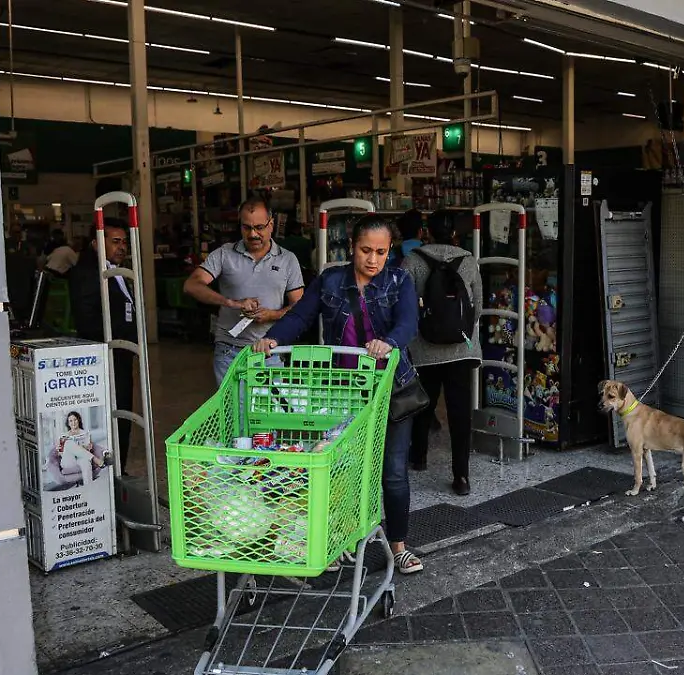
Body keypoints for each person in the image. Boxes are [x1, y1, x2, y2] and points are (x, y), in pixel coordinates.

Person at [252, 214, 424, 575]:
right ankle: (340, 540)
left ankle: (399, 546)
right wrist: (274, 338)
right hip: (342, 394)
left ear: (390, 250)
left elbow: (408, 323)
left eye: (381, 251)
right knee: (343, 469)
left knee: (392, 472)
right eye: (365, 250)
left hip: (392, 391)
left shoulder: (399, 280)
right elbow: (299, 316)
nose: (373, 259)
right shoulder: (330, 280)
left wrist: (388, 342)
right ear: (352, 248)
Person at [184, 197, 306, 384]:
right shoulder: (224, 254)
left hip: (270, 351)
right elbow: (192, 285)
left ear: (271, 224)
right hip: (229, 352)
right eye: (247, 228)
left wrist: (272, 314)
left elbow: (300, 307)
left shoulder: (287, 260)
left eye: (259, 227)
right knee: (233, 412)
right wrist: (231, 302)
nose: (253, 234)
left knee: (268, 412)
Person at [402, 210, 482, 496]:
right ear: (455, 234)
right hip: (461, 349)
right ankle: (461, 476)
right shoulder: (469, 260)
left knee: (424, 402)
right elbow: (478, 308)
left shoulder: (412, 260)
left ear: (426, 233)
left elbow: (405, 307)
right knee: (460, 412)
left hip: (424, 348)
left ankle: (419, 457)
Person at [69, 219, 136, 469]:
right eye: (115, 241)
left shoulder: (117, 271)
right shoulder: (88, 272)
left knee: (123, 413)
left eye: (124, 242)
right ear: (97, 243)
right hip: (106, 355)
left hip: (121, 353)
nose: (122, 247)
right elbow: (87, 319)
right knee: (112, 416)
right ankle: (113, 470)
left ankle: (121, 468)